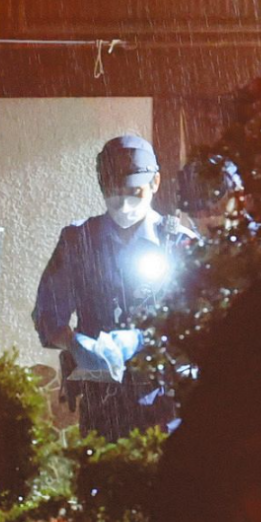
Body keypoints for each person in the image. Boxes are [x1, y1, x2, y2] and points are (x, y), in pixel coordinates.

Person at [32, 134, 195, 441]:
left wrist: (146, 339)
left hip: (166, 404)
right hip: (102, 403)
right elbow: (47, 314)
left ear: (155, 182)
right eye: (113, 192)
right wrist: (75, 344)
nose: (123, 203)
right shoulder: (78, 241)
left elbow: (205, 325)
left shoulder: (179, 243)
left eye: (134, 192)